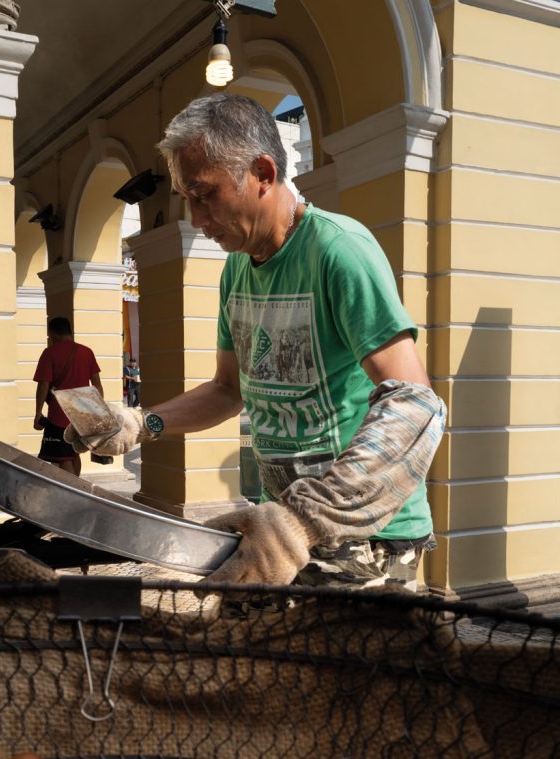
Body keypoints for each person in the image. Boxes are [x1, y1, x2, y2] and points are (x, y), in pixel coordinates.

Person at [64, 94, 446, 588]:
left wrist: (301, 524)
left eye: (205, 194)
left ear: (264, 172)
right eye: (187, 200)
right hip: (285, 527)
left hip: (367, 538)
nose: (197, 219)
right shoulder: (237, 270)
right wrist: (140, 423)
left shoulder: (338, 250)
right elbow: (227, 390)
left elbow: (416, 405)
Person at [33, 316, 103, 477]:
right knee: (73, 453)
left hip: (60, 414)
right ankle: (77, 487)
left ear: (53, 334)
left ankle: (74, 493)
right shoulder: (87, 352)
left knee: (62, 457)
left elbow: (43, 384)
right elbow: (97, 385)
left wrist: (38, 413)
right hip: (82, 413)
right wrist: (96, 410)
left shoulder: (50, 353)